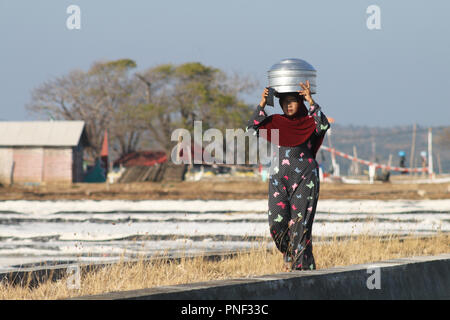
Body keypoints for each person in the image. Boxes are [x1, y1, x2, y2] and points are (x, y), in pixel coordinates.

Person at [246, 80, 330, 271]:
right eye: (284, 102)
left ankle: (302, 269)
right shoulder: (276, 122)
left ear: (300, 102)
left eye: (292, 101)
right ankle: (289, 252)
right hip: (278, 177)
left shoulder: (310, 122)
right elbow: (251, 127)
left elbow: (323, 126)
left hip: (305, 179)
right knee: (276, 222)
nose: (288, 105)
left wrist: (311, 101)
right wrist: (262, 103)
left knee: (300, 224)